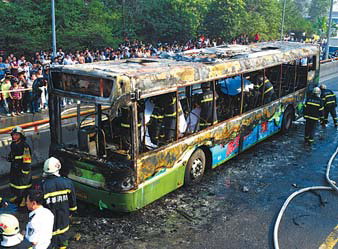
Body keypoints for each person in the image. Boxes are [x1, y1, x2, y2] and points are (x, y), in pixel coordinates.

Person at [40, 157, 77, 249]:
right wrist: (72, 212)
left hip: (49, 221)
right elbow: (72, 202)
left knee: (50, 243)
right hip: (63, 217)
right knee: (63, 241)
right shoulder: (67, 182)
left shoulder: (42, 185)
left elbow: (39, 204)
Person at [7, 126, 32, 207]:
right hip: (15, 167)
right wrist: (10, 157)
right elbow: (13, 154)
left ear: (21, 135)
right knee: (15, 182)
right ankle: (17, 196)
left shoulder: (25, 146)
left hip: (22, 168)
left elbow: (27, 159)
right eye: (13, 135)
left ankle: (24, 199)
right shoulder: (13, 144)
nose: (14, 136)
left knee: (23, 184)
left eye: (17, 135)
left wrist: (25, 170)